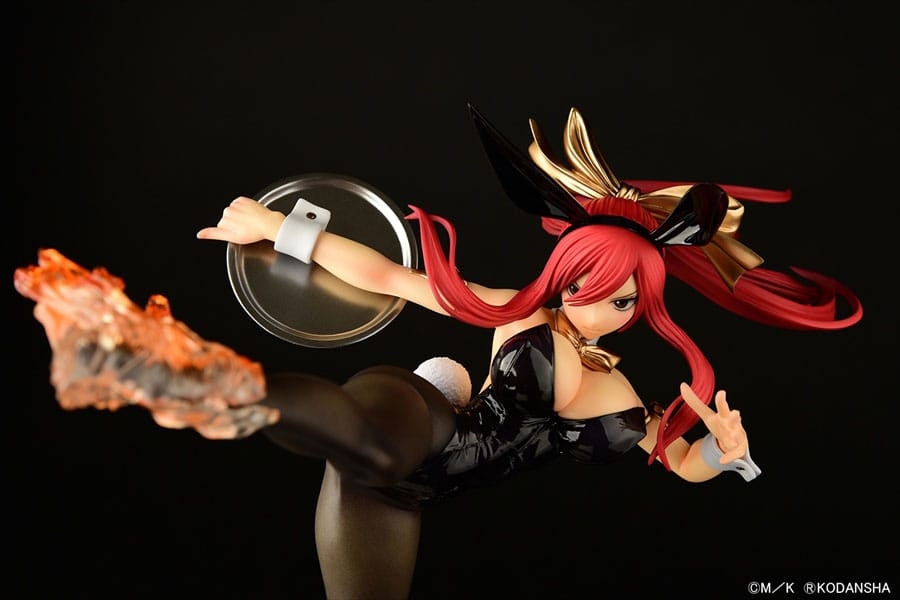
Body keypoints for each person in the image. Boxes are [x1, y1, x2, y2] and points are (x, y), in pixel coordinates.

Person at [193, 105, 862, 598]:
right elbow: (391, 278)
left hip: (401, 500)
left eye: (620, 300)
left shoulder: (624, 397)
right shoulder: (522, 314)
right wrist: (277, 226)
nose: (593, 307)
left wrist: (726, 452)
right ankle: (219, 387)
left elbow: (685, 464)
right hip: (422, 420)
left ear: (642, 305)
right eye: (581, 286)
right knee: (368, 439)